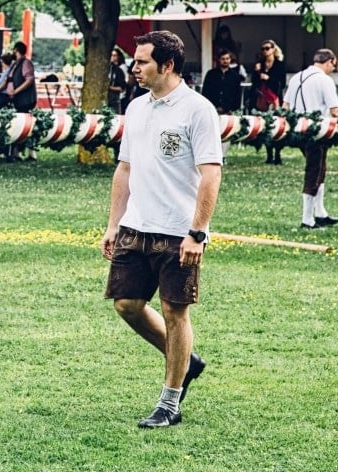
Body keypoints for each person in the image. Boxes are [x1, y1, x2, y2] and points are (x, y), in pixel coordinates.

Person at [101, 30, 221, 429]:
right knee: (127, 305)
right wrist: (113, 224)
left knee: (174, 311)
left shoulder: (197, 110)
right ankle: (188, 362)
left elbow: (210, 176)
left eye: (142, 62)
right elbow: (125, 169)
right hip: (136, 226)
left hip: (177, 232)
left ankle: (170, 402)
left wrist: (197, 232)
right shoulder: (136, 108)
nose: (134, 68)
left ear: (167, 65)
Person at [283, 49, 338, 230]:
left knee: (320, 168)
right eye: (334, 63)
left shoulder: (296, 77)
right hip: (318, 130)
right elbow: (334, 110)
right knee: (314, 171)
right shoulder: (325, 80)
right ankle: (307, 218)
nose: (333, 67)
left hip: (299, 130)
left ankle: (321, 212)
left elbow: (285, 106)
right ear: (329, 61)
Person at [200, 49, 242, 163]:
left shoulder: (235, 76)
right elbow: (206, 92)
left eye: (227, 59)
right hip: (213, 107)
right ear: (219, 60)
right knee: (212, 132)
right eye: (223, 59)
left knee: (227, 132)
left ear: (230, 60)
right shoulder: (211, 74)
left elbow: (237, 94)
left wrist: (232, 108)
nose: (225, 61)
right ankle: (213, 155)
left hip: (228, 109)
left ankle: (223, 156)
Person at [250, 40, 287, 165]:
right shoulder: (259, 64)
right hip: (262, 99)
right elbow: (254, 83)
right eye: (263, 49)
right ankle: (269, 153)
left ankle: (278, 154)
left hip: (275, 98)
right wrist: (256, 72)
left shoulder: (279, 65)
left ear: (273, 49)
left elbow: (282, 83)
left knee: (277, 124)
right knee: (266, 125)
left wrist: (269, 78)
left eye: (267, 48)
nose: (265, 51)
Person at [7, 42, 38, 160]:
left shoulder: (26, 63)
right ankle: (18, 151)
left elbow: (29, 80)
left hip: (25, 100)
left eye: (13, 50)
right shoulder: (15, 64)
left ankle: (27, 151)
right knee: (19, 125)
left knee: (26, 126)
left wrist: (16, 91)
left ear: (16, 50)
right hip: (17, 100)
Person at [108, 48, 129, 114]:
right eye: (111, 55)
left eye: (114, 55)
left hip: (117, 98)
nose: (112, 58)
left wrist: (109, 87)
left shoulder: (120, 69)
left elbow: (122, 87)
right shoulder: (108, 69)